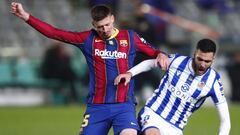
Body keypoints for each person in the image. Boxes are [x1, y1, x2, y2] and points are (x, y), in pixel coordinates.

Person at [10, 2, 169, 135]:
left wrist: (161, 54)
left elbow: (154, 52)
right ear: (93, 24)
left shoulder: (130, 37)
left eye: (107, 24)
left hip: (124, 106)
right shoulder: (86, 39)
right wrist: (27, 17)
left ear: (112, 19)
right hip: (97, 107)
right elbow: (54, 33)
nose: (105, 29)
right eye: (100, 27)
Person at [115, 39, 231, 135]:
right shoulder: (177, 61)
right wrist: (130, 73)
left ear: (213, 59)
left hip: (175, 127)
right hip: (154, 113)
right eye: (200, 59)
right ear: (194, 54)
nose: (202, 64)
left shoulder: (213, 81)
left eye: (207, 61)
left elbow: (226, 120)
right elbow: (151, 63)